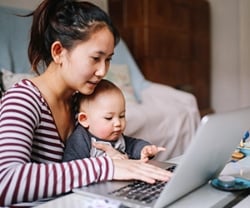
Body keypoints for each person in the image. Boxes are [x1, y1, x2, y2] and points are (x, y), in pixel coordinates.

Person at [0, 0, 172, 206]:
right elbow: (5, 182)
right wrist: (104, 167)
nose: (102, 71)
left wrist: (122, 158)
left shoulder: (79, 103)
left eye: (108, 59)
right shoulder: (23, 101)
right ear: (58, 52)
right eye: (95, 58)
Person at [63, 79, 166, 161]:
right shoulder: (81, 140)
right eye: (109, 118)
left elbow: (133, 145)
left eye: (121, 116)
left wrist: (144, 149)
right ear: (84, 119)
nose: (118, 123)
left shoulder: (117, 137)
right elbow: (73, 168)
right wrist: (108, 163)